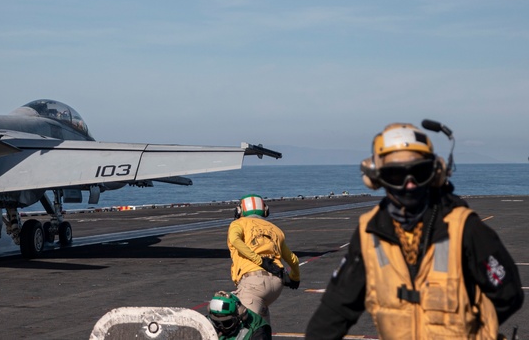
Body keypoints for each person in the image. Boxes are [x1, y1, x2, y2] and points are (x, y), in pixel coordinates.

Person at [306, 122, 524, 339]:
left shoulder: (464, 228)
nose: (409, 184)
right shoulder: (370, 233)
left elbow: (509, 294)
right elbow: (335, 311)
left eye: (418, 172)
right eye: (396, 175)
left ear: (434, 172)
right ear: (377, 179)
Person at [227, 194, 300, 323]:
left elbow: (235, 240)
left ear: (240, 210)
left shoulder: (238, 223)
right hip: (276, 285)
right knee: (262, 330)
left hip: (253, 283)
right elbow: (293, 259)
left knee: (241, 327)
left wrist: (260, 261)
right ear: (265, 211)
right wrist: (295, 278)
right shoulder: (276, 230)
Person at [206, 290, 272, 340]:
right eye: (216, 323)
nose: (221, 327)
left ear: (239, 317)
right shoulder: (205, 323)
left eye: (227, 323)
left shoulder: (257, 330)